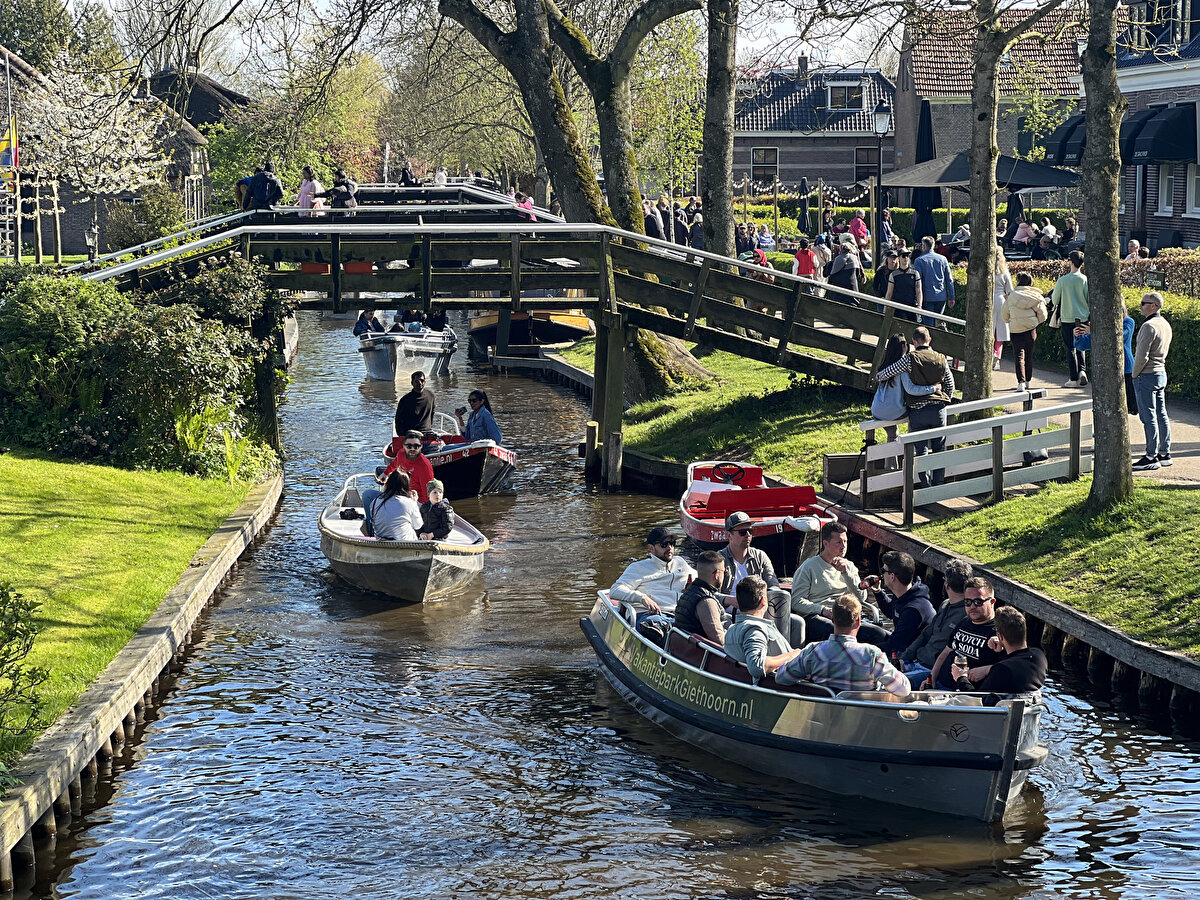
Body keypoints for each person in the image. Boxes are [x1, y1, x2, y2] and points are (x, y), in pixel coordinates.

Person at [775, 593, 910, 695]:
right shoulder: (872, 655)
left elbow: (781, 678)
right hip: (864, 722)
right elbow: (903, 690)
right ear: (858, 621)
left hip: (822, 718)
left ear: (832, 619)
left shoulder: (813, 651)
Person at [875, 326, 955, 488]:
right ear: (929, 340)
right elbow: (950, 383)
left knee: (921, 450)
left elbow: (885, 374)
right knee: (939, 449)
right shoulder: (941, 358)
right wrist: (943, 397)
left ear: (914, 341)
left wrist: (879, 375)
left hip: (918, 411)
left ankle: (925, 485)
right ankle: (938, 483)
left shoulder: (909, 359)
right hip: (938, 409)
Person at [790, 521, 889, 646]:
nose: (843, 546)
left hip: (846, 617)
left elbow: (861, 598)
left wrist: (845, 573)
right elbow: (796, 601)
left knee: (879, 634)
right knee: (832, 630)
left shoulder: (850, 566)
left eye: (845, 541)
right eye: (839, 542)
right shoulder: (809, 567)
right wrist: (822, 610)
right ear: (826, 544)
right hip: (817, 616)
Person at [719, 511, 805, 647]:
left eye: (750, 531)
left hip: (761, 609)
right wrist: (729, 600)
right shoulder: (719, 559)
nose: (748, 535)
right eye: (742, 532)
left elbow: (774, 586)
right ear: (729, 535)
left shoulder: (760, 556)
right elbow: (709, 594)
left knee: (798, 622)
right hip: (733, 614)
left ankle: (792, 661)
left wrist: (764, 603)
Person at [900, 557, 972, 688]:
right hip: (917, 661)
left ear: (947, 585)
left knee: (889, 683)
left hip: (930, 670)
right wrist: (903, 658)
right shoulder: (945, 605)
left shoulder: (967, 615)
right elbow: (926, 633)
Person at [952, 606, 1047, 700]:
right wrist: (1001, 651)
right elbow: (1018, 662)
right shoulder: (1039, 656)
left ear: (1000, 636)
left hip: (1000, 713)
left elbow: (977, 700)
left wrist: (961, 678)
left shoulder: (1002, 670)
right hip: (1028, 708)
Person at [927, 577, 1007, 690]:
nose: (972, 606)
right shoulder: (964, 622)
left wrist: (987, 669)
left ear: (992, 602)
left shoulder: (1001, 631)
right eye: (968, 602)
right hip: (939, 684)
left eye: (978, 602)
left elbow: (1012, 667)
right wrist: (931, 678)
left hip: (967, 694)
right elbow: (946, 652)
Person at [724, 576, 802, 683]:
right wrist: (792, 655)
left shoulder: (731, 630)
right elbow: (756, 667)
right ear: (764, 601)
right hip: (784, 689)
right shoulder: (754, 630)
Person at [609, 526, 698, 619]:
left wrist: (693, 586)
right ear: (651, 548)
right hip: (649, 614)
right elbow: (615, 590)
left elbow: (700, 578)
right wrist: (642, 598)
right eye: (664, 544)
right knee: (656, 625)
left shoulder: (680, 562)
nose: (669, 547)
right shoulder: (638, 567)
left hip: (679, 614)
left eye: (672, 543)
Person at [860, 551, 935, 656]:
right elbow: (891, 612)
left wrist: (859, 650)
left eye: (883, 570)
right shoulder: (903, 592)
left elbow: (894, 645)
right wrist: (878, 591)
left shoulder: (913, 610)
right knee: (868, 631)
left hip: (910, 655)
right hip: (900, 642)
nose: (881, 574)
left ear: (892, 576)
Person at [1131, 291, 1174, 470]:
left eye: (1143, 303)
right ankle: (1164, 453)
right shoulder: (1165, 324)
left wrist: (1134, 374)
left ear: (1153, 306)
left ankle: (1151, 455)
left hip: (1146, 374)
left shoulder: (1148, 326)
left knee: (1148, 417)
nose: (1140, 306)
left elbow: (1141, 356)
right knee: (1161, 414)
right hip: (1160, 372)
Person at [1074, 315, 1137, 414]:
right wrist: (1078, 336)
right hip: (1105, 369)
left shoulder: (1128, 322)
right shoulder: (1099, 327)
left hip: (1125, 369)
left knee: (1130, 407)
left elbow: (1119, 336)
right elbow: (1082, 345)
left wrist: (1094, 331)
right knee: (1110, 406)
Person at [1002, 272, 1047, 391]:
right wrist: (1035, 322)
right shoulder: (1035, 296)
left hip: (1016, 329)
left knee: (1018, 355)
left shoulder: (1011, 296)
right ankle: (1028, 381)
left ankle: (1020, 382)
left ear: (1018, 281)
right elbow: (1043, 314)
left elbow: (1004, 314)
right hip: (1030, 329)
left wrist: (1010, 321)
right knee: (1029, 355)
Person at [1051, 250, 1090, 387]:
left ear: (1071, 262)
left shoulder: (1062, 280)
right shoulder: (1085, 280)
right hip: (1083, 318)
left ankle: (1073, 378)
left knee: (1070, 348)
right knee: (1081, 346)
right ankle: (1083, 371)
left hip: (1067, 318)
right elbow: (1089, 300)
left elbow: (1055, 299)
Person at [673, 550, 729, 644]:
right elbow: (719, 639)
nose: (725, 575)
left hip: (685, 649)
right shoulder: (706, 602)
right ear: (717, 574)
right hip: (703, 655)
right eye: (725, 572)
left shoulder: (690, 592)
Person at [363, 469, 422, 541]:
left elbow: (373, 519)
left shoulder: (375, 501)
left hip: (381, 542)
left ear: (388, 483)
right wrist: (415, 503)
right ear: (406, 486)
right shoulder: (409, 502)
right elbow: (418, 525)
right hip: (405, 544)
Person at [382, 430, 436, 503]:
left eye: (416, 446)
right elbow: (394, 463)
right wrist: (385, 473)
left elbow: (428, 493)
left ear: (421, 447)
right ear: (404, 446)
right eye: (409, 446)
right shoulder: (401, 453)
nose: (412, 449)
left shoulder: (424, 466)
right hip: (400, 495)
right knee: (368, 494)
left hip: (416, 502)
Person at [912, 236, 955, 326]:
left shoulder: (919, 261)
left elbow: (917, 282)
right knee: (939, 323)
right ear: (934, 245)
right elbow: (949, 279)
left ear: (923, 246)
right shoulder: (943, 259)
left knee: (928, 326)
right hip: (941, 297)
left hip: (927, 297)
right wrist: (951, 297)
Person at [884, 247, 923, 320]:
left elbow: (919, 291)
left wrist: (919, 306)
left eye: (907, 256)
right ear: (898, 258)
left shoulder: (915, 273)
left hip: (912, 307)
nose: (906, 258)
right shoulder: (893, 275)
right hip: (897, 308)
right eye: (903, 256)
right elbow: (889, 293)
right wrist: (885, 308)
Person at [394, 371, 437, 435]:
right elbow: (398, 421)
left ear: (425, 382)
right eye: (416, 381)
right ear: (412, 383)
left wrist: (428, 428)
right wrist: (402, 437)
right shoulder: (405, 400)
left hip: (427, 432)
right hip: (411, 433)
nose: (419, 383)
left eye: (422, 381)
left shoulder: (431, 396)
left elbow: (432, 414)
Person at [992, 253, 1014, 369]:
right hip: (1001, 301)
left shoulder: (988, 271)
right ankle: (997, 357)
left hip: (989, 301)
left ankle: (990, 353)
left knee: (990, 330)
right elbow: (1010, 290)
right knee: (1000, 331)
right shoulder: (1005, 272)